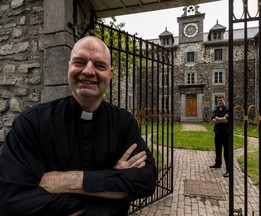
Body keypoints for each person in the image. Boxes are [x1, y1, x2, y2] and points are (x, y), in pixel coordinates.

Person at [0, 36, 157, 215]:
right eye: (80, 62)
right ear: (69, 67)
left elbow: (146, 180)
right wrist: (112, 187)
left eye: (99, 65)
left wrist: (70, 181)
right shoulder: (31, 124)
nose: (88, 71)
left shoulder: (124, 123)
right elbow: (12, 202)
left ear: (111, 74)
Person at [209, 96, 229, 178]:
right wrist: (221, 119)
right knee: (218, 149)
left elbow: (227, 120)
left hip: (226, 133)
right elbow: (212, 120)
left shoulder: (228, 109)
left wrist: (218, 119)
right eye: (218, 101)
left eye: (221, 100)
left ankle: (228, 170)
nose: (220, 102)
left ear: (224, 100)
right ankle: (218, 163)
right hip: (217, 132)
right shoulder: (216, 109)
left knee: (227, 152)